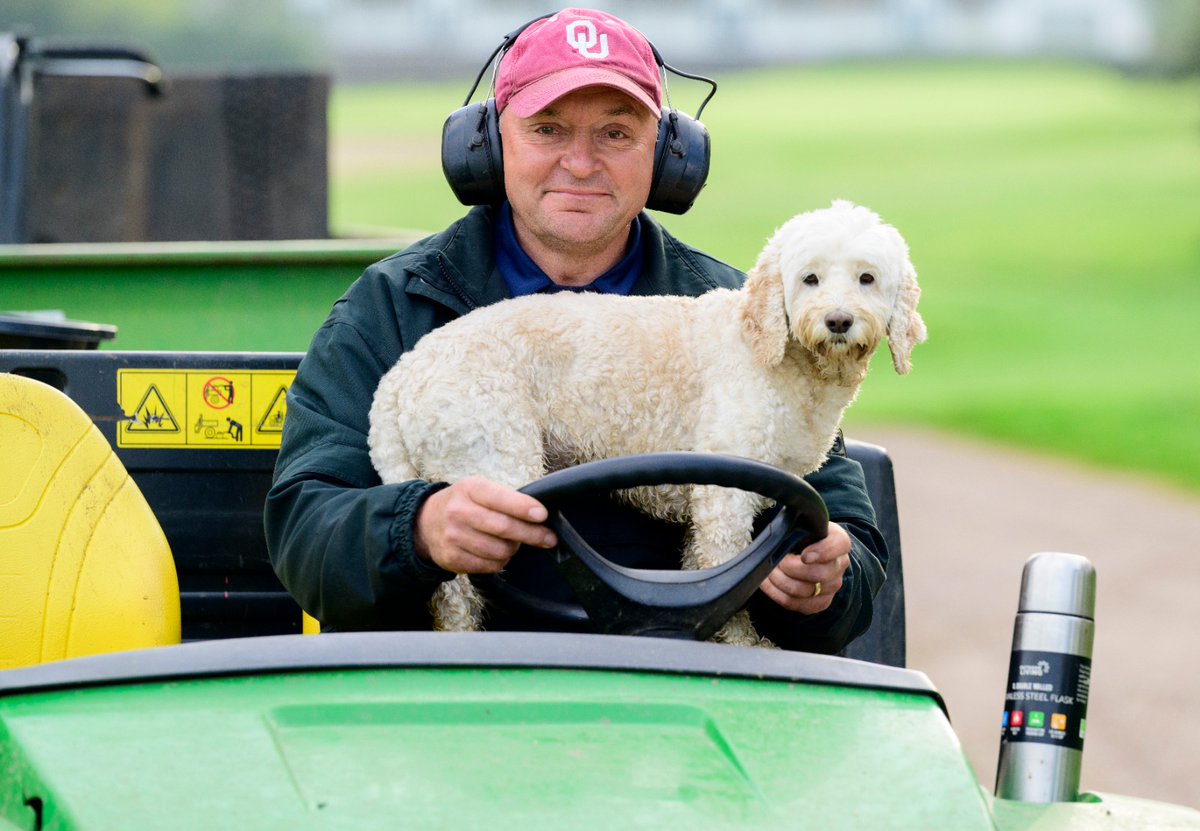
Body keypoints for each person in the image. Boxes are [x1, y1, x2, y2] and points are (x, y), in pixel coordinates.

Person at [265, 7, 887, 652]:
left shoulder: (745, 313)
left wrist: (823, 579)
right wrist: (416, 530)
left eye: (616, 133)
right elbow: (304, 534)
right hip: (451, 692)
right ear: (488, 145)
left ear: (669, 153)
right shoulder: (396, 306)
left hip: (676, 691)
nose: (581, 163)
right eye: (548, 129)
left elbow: (853, 560)